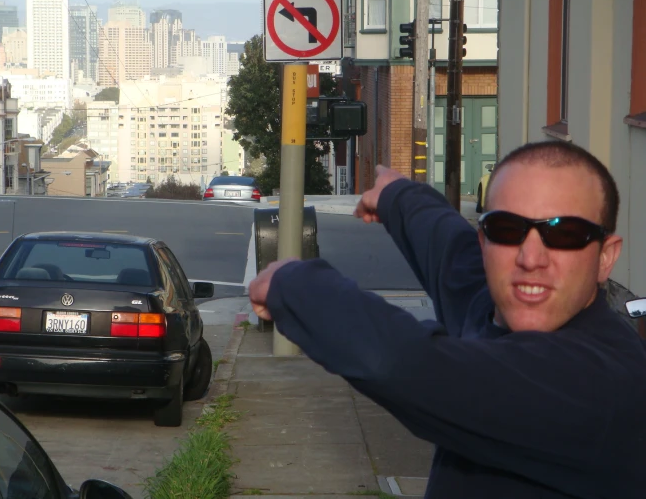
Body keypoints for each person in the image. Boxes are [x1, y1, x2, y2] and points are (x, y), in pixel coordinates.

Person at [248, 141, 646, 498]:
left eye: (565, 234)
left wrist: (291, 282)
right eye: (507, 229)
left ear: (606, 257)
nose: (530, 258)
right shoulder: (496, 307)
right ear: (485, 241)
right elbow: (452, 256)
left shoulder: (602, 384)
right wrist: (397, 195)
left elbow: (405, 365)